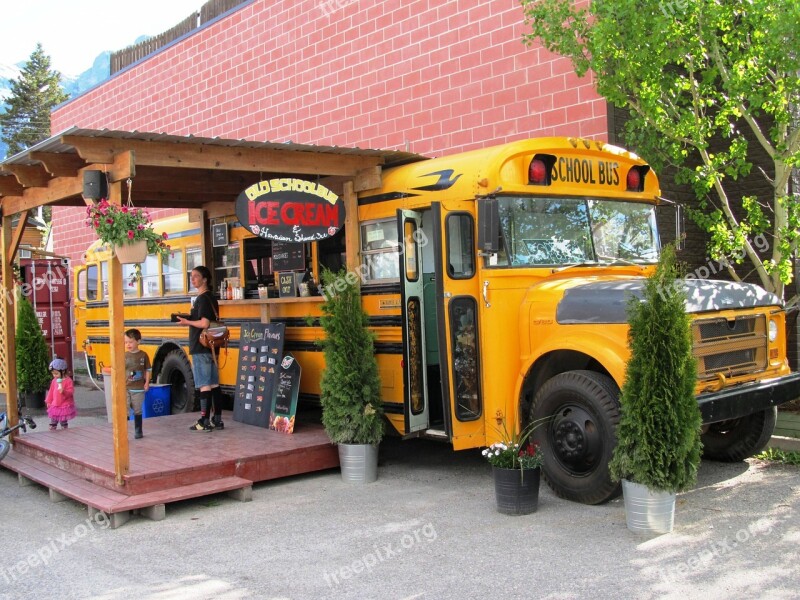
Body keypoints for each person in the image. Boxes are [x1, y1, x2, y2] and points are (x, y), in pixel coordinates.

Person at [177, 266, 224, 432]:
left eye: (196, 276)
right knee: (214, 383)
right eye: (191, 276)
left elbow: (204, 323)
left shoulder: (202, 299)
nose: (193, 279)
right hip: (211, 347)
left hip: (201, 346)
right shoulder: (211, 297)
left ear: (205, 279)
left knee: (204, 384)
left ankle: (204, 420)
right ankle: (217, 419)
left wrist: (187, 322)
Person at [124, 328, 151, 439]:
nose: (128, 344)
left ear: (138, 341)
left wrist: (147, 383)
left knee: (137, 409)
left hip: (138, 388)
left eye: (130, 342)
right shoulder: (124, 356)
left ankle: (138, 430)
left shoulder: (143, 355)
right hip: (125, 387)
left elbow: (148, 370)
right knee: (124, 409)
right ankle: (123, 431)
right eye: (126, 342)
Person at [45, 357, 76, 430]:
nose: (54, 375)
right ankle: (53, 430)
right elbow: (51, 391)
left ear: (63, 371)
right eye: (53, 373)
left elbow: (70, 392)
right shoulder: (54, 380)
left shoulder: (68, 381)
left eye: (56, 373)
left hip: (64, 405)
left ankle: (64, 431)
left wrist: (64, 391)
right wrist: (48, 401)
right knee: (53, 421)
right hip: (55, 404)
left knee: (63, 422)